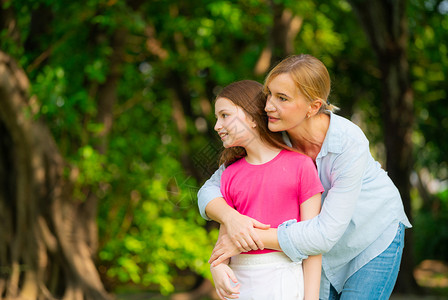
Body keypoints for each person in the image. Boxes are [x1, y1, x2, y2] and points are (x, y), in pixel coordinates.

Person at [198, 54, 412, 300]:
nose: (267, 106)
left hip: (369, 235)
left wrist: (246, 238)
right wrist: (231, 219)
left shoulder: (348, 142)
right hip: (313, 247)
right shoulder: (274, 132)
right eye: (269, 94)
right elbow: (211, 189)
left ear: (313, 107)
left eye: (282, 98)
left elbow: (323, 234)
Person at [209, 80, 324, 300]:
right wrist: (217, 267)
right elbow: (224, 241)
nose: (217, 125)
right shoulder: (230, 174)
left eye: (224, 115)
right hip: (240, 283)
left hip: (284, 281)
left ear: (252, 118)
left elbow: (312, 244)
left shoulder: (301, 166)